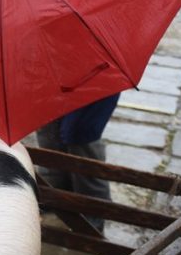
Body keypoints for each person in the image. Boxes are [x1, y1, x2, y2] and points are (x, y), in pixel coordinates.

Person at [35, 93, 120, 233]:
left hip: (91, 83)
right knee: (49, 127)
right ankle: (55, 198)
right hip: (49, 81)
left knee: (80, 135)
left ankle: (93, 215)